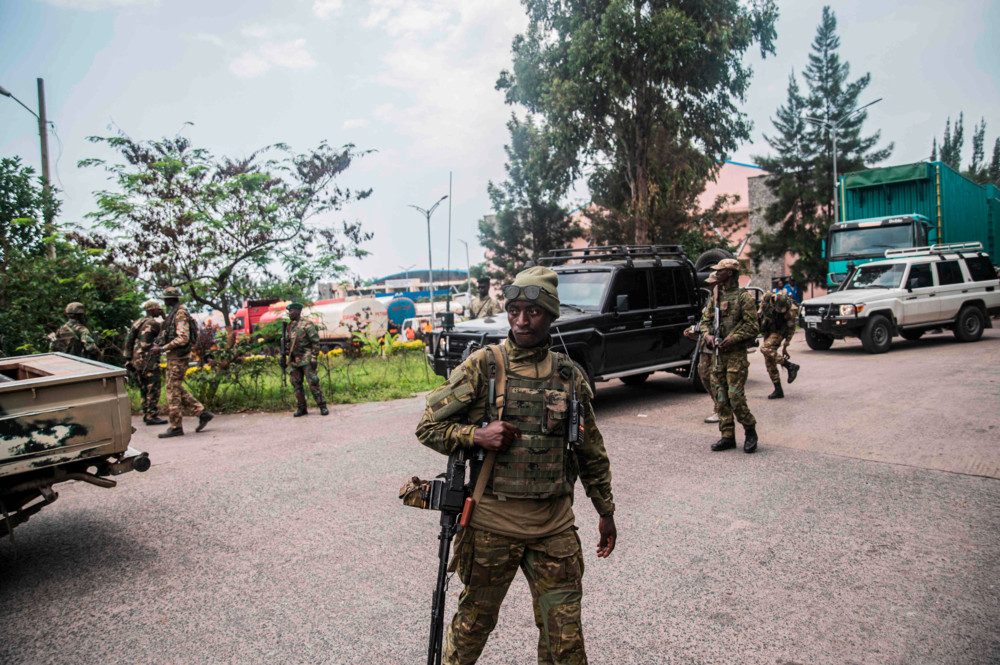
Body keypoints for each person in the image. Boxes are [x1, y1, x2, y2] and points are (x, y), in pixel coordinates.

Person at [416, 266, 617, 665]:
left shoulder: (569, 377)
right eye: (514, 310)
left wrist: (605, 511)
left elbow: (590, 451)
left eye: (533, 312)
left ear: (551, 315)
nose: (521, 321)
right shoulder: (483, 366)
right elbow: (427, 428)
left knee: (566, 644)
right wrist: (476, 435)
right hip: (492, 526)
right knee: (471, 631)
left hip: (554, 529)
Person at [699, 258, 760, 454]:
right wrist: (707, 335)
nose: (717, 273)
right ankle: (727, 436)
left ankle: (750, 430)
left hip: (735, 355)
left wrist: (733, 338)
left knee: (735, 397)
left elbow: (753, 326)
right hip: (718, 355)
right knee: (721, 397)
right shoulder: (716, 297)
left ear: (731, 273)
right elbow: (705, 321)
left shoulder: (744, 298)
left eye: (721, 270)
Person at [153, 287, 213, 438]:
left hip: (178, 357)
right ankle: (201, 412)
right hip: (175, 357)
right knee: (175, 387)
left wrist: (162, 349)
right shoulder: (175, 311)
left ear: (171, 299)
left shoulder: (180, 313)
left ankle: (176, 426)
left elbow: (183, 338)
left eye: (165, 298)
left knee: (172, 392)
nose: (164, 301)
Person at [683, 271, 720, 424]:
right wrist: (695, 330)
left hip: (722, 346)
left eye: (713, 283)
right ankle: (720, 405)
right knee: (704, 375)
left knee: (719, 379)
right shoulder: (711, 300)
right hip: (707, 343)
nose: (710, 286)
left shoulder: (732, 300)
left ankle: (721, 409)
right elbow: (705, 321)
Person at [281, 302, 329, 417]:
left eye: (291, 311)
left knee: (313, 382)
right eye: (289, 311)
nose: (290, 313)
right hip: (294, 360)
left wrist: (313, 357)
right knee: (296, 384)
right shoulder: (289, 326)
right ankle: (302, 408)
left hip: (306, 358)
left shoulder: (307, 325)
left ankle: (322, 406)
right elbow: (288, 344)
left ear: (298, 311)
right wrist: (284, 356)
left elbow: (315, 341)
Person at [124, 301, 167, 425]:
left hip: (136, 360)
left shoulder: (137, 322)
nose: (159, 312)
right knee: (153, 387)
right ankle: (152, 415)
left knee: (143, 388)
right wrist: (165, 318)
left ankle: (145, 413)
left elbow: (128, 340)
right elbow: (166, 335)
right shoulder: (154, 324)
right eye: (158, 310)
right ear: (153, 310)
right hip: (149, 360)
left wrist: (127, 358)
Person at [758, 292, 801, 399]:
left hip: (779, 332)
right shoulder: (767, 298)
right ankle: (778, 390)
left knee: (765, 348)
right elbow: (761, 309)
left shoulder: (790, 312)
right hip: (768, 330)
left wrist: (785, 346)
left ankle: (790, 366)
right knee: (769, 361)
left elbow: (791, 329)